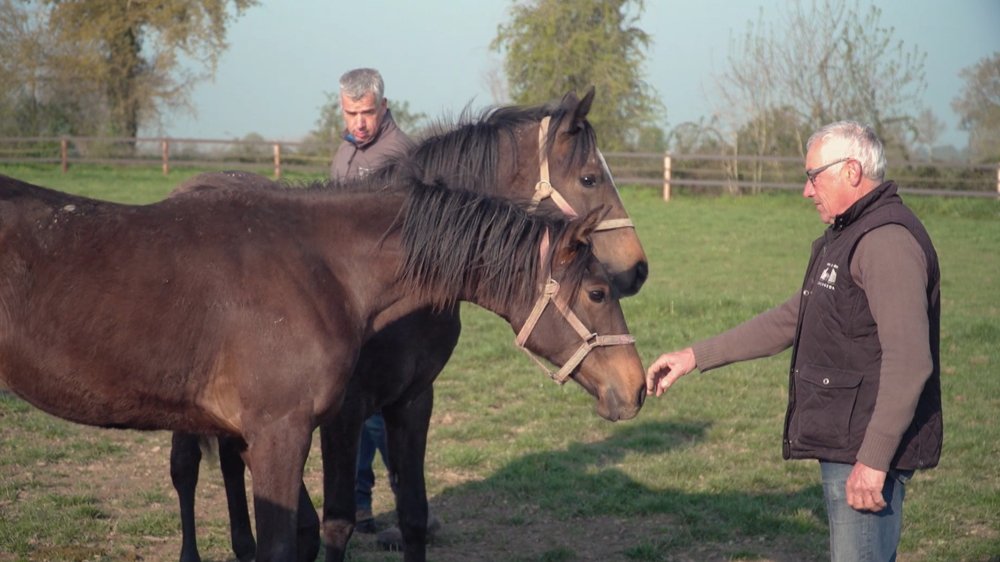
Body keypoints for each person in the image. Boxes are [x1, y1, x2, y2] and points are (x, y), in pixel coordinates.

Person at [645, 121, 941, 562]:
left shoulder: (885, 242)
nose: (807, 191)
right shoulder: (849, 235)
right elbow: (793, 318)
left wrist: (874, 460)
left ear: (852, 171)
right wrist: (694, 357)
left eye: (813, 176)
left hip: (863, 448)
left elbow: (910, 360)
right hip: (848, 440)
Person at [329, 67, 439, 548]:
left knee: (377, 414)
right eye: (351, 113)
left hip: (389, 312)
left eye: (367, 112)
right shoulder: (345, 152)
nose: (359, 122)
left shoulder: (403, 157)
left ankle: (406, 509)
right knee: (351, 407)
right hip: (347, 304)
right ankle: (363, 506)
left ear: (384, 106)